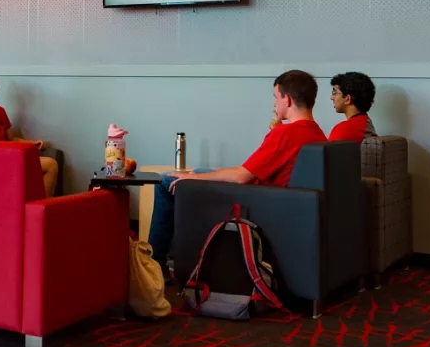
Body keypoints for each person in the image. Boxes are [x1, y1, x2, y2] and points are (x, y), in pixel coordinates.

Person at [146, 70, 372, 264]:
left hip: (252, 200)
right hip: (272, 195)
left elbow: (242, 176)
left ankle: (154, 263)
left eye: (276, 97)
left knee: (167, 180)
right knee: (200, 171)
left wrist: (191, 178)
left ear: (288, 100)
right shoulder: (316, 131)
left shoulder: (286, 133)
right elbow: (252, 168)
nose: (274, 103)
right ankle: (176, 256)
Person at [326, 71, 378, 142]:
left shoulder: (344, 129)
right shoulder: (367, 123)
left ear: (348, 99)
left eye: (334, 92)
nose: (331, 97)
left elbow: (325, 152)